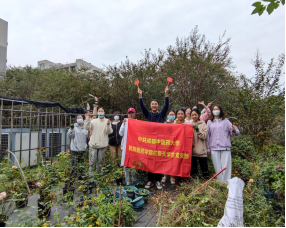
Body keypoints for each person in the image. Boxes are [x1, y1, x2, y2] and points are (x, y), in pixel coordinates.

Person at [138, 86, 170, 190]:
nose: (154, 105)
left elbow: (166, 106)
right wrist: (140, 96)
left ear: (158, 106)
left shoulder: (161, 115)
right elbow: (142, 107)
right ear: (150, 106)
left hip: (160, 143)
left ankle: (158, 181)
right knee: (149, 162)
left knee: (159, 162)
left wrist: (166, 95)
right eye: (152, 104)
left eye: (156, 104)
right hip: (149, 143)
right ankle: (150, 180)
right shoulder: (148, 115)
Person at [207, 105, 240, 183]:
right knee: (217, 168)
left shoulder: (226, 121)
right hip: (214, 148)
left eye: (217, 109)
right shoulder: (209, 122)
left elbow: (234, 132)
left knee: (226, 167)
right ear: (212, 111)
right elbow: (207, 136)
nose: (216, 110)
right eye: (214, 109)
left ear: (220, 110)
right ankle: (220, 184)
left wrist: (234, 130)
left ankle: (226, 184)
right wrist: (208, 148)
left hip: (225, 147)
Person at [85, 107, 113, 180]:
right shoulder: (93, 121)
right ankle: (91, 179)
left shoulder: (107, 121)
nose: (100, 112)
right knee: (91, 162)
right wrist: (88, 119)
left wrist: (107, 125)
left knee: (100, 162)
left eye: (102, 111)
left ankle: (99, 178)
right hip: (93, 145)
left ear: (104, 112)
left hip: (102, 145)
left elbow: (109, 132)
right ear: (97, 113)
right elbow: (87, 127)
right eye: (99, 111)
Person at [67, 115, 89, 181]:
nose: (79, 119)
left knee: (81, 165)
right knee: (74, 165)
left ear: (83, 119)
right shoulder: (74, 127)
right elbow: (69, 136)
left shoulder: (86, 127)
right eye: (78, 118)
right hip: (75, 149)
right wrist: (70, 129)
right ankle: (71, 179)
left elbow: (88, 137)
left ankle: (81, 178)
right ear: (76, 119)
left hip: (83, 149)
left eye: (81, 118)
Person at [190, 109, 210, 180]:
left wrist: (198, 130)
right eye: (192, 115)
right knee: (193, 171)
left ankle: (206, 182)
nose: (194, 116)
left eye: (195, 114)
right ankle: (194, 184)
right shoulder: (189, 125)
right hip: (192, 152)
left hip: (202, 151)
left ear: (199, 115)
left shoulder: (203, 124)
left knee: (204, 170)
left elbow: (204, 136)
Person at [119, 108, 137, 185]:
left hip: (134, 148)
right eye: (129, 113)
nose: (131, 115)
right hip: (125, 147)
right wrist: (123, 124)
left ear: (135, 114)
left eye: (132, 113)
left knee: (134, 164)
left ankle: (134, 181)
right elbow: (120, 133)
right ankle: (127, 182)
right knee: (126, 165)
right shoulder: (125, 122)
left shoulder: (137, 122)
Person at [162, 110, 176, 185]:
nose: (171, 115)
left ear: (175, 116)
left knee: (173, 161)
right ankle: (165, 176)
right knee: (166, 161)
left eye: (173, 114)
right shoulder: (165, 123)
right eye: (170, 114)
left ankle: (172, 177)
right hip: (166, 144)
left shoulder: (177, 124)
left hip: (175, 145)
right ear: (167, 116)